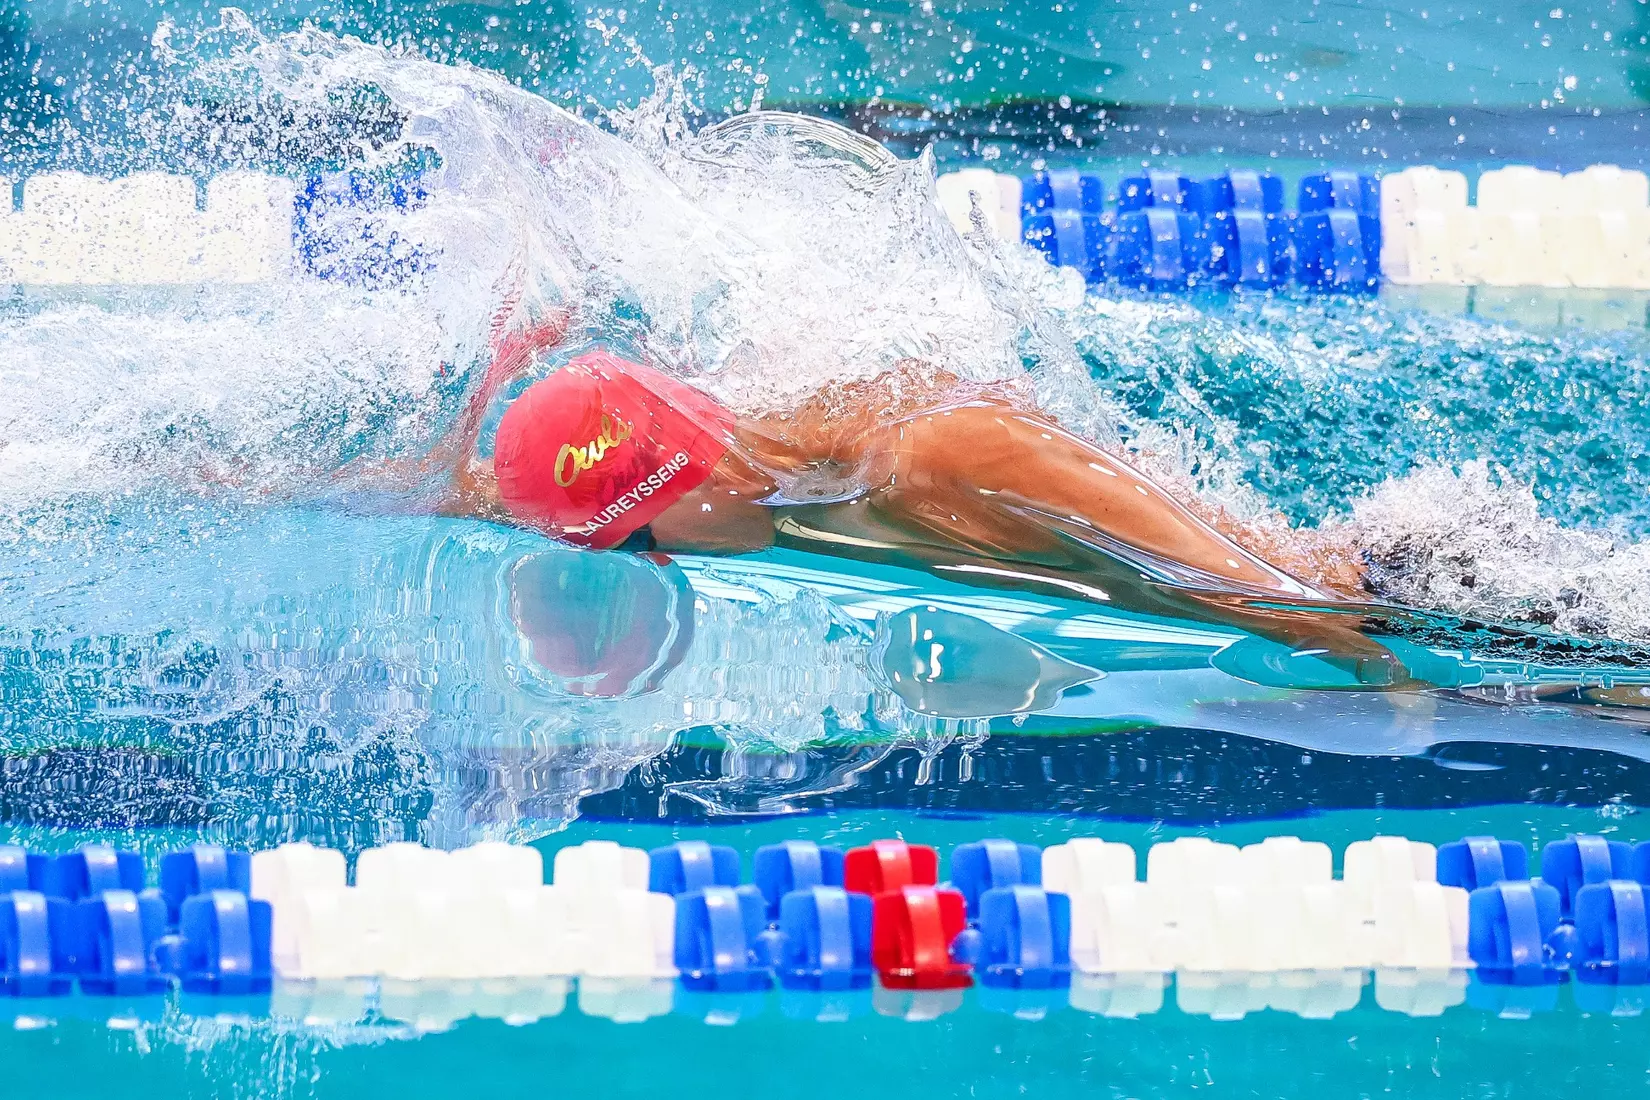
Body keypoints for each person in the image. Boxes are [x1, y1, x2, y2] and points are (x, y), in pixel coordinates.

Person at [413, 313, 1405, 685]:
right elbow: (506, 491)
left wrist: (1395, 680)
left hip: (1396, 583)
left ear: (692, 479)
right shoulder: (712, 480)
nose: (656, 566)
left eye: (635, 546)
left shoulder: (934, 462)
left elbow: (1246, 585)